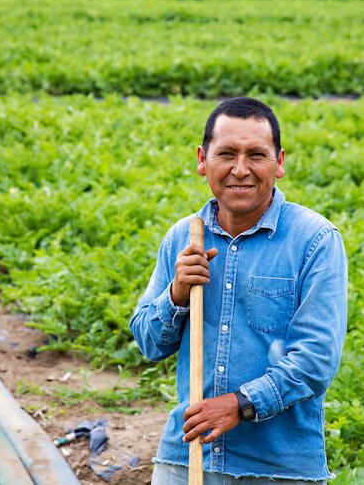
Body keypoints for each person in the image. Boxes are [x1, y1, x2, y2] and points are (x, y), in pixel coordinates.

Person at [129, 97, 347, 484]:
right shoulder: (183, 236)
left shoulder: (314, 240)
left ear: (279, 162)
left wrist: (239, 405)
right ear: (202, 159)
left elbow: (315, 360)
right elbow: (148, 343)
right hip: (187, 456)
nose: (240, 169)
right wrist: (177, 294)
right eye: (226, 153)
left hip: (278, 469)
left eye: (256, 155)